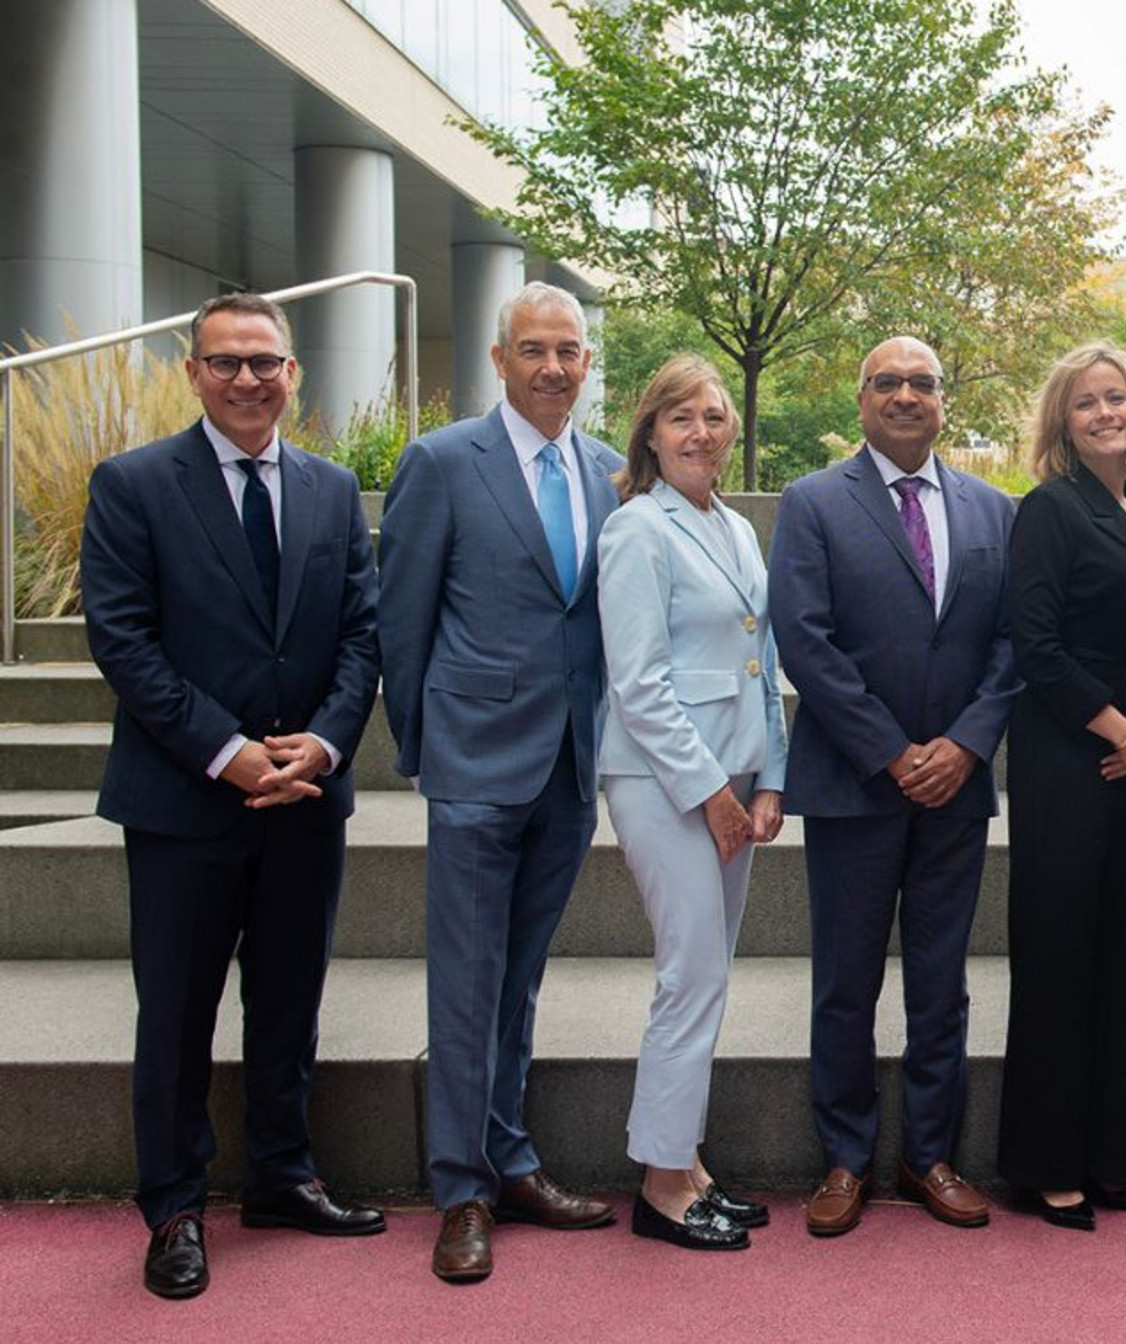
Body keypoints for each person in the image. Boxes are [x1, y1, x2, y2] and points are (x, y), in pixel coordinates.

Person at [80, 292, 385, 1300]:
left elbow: (359, 635)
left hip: (306, 797)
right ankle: (173, 1206)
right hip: (184, 804)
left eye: (266, 362)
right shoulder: (132, 485)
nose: (248, 379)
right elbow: (122, 639)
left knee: (289, 1001)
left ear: (292, 373)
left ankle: (282, 1175)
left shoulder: (335, 489)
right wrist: (226, 752)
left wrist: (329, 744)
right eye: (227, 362)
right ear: (193, 373)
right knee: (175, 1014)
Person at [378, 281, 625, 1283]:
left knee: (518, 982)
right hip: (475, 764)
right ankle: (460, 1190)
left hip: (568, 766)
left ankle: (509, 1158)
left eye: (569, 350)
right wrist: (427, 747)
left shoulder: (611, 472)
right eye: (535, 349)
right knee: (467, 986)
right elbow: (401, 622)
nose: (555, 366)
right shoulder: (442, 463)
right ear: (499, 358)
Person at [768, 336, 1021, 1237]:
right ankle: (843, 1158)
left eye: (923, 383)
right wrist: (889, 750)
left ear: (944, 400)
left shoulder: (997, 510)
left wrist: (964, 743)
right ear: (862, 395)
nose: (906, 395)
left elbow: (1013, 644)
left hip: (957, 786)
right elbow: (804, 639)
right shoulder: (812, 503)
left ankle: (928, 1155)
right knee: (845, 981)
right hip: (853, 784)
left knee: (941, 982)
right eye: (888, 382)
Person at [595, 354, 788, 1251]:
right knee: (691, 975)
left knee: (708, 974)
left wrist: (772, 778)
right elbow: (637, 684)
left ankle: (689, 1161)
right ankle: (662, 1184)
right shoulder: (637, 528)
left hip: (739, 780)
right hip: (665, 781)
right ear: (651, 432)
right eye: (682, 418)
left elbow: (764, 663)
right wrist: (713, 793)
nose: (702, 432)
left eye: (713, 417)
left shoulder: (735, 527)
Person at [996, 342, 1126, 1231]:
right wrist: (1124, 733)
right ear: (1062, 423)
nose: (1106, 413)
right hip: (1070, 758)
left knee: (1120, 958)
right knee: (1060, 959)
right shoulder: (1050, 510)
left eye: (1117, 398)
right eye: (1086, 404)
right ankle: (1048, 1164)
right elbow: (1036, 648)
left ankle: (1108, 1159)